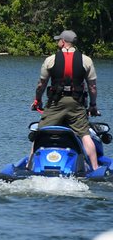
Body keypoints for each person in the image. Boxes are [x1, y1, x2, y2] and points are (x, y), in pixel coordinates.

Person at [31, 30, 101, 170]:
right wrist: (93, 105)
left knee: (40, 133)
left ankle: (29, 166)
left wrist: (37, 101)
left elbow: (41, 85)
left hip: (55, 103)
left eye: (59, 40)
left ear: (63, 42)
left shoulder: (50, 60)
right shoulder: (86, 60)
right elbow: (92, 87)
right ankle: (95, 168)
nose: (58, 42)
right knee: (85, 134)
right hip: (76, 103)